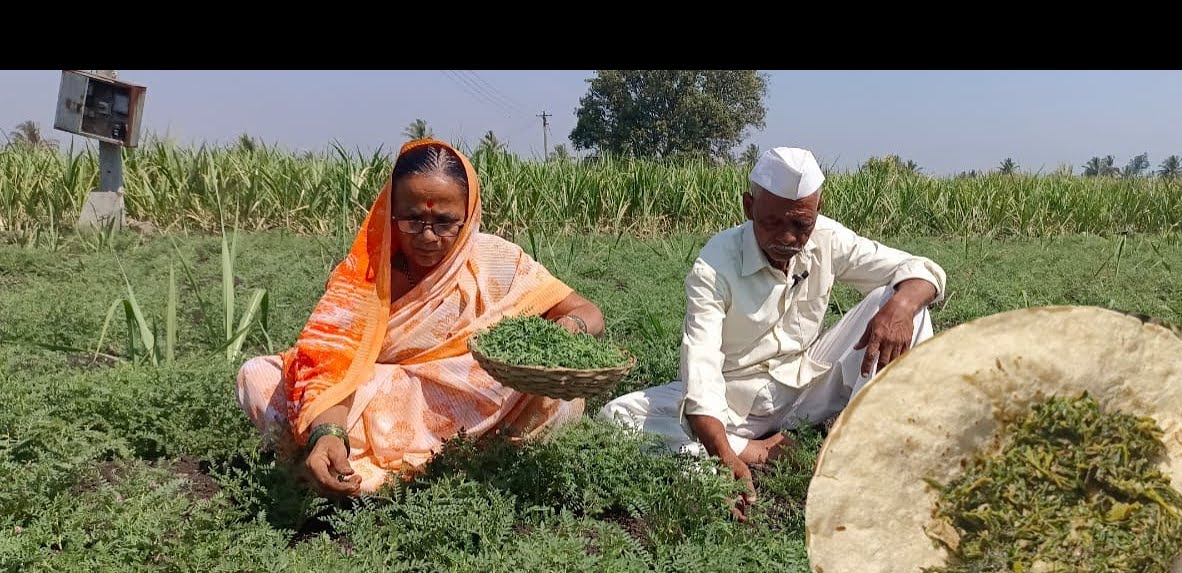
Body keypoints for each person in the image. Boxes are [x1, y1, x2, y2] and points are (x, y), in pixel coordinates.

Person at [237, 138, 605, 499]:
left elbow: (587, 312)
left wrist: (566, 330)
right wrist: (328, 431)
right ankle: (349, 459)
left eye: (445, 222)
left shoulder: (496, 260)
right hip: (374, 402)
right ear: (390, 213)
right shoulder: (365, 273)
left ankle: (368, 471)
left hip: (469, 399)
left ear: (469, 215)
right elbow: (332, 363)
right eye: (413, 219)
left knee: (522, 384)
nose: (428, 236)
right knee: (259, 376)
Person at [598, 147, 946, 520]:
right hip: (736, 402)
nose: (788, 237)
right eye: (772, 222)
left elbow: (921, 269)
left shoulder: (826, 238)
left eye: (801, 224)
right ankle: (754, 450)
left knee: (901, 302)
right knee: (618, 416)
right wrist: (726, 454)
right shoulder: (715, 265)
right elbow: (701, 367)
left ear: (817, 210)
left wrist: (902, 307)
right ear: (749, 207)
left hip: (808, 382)